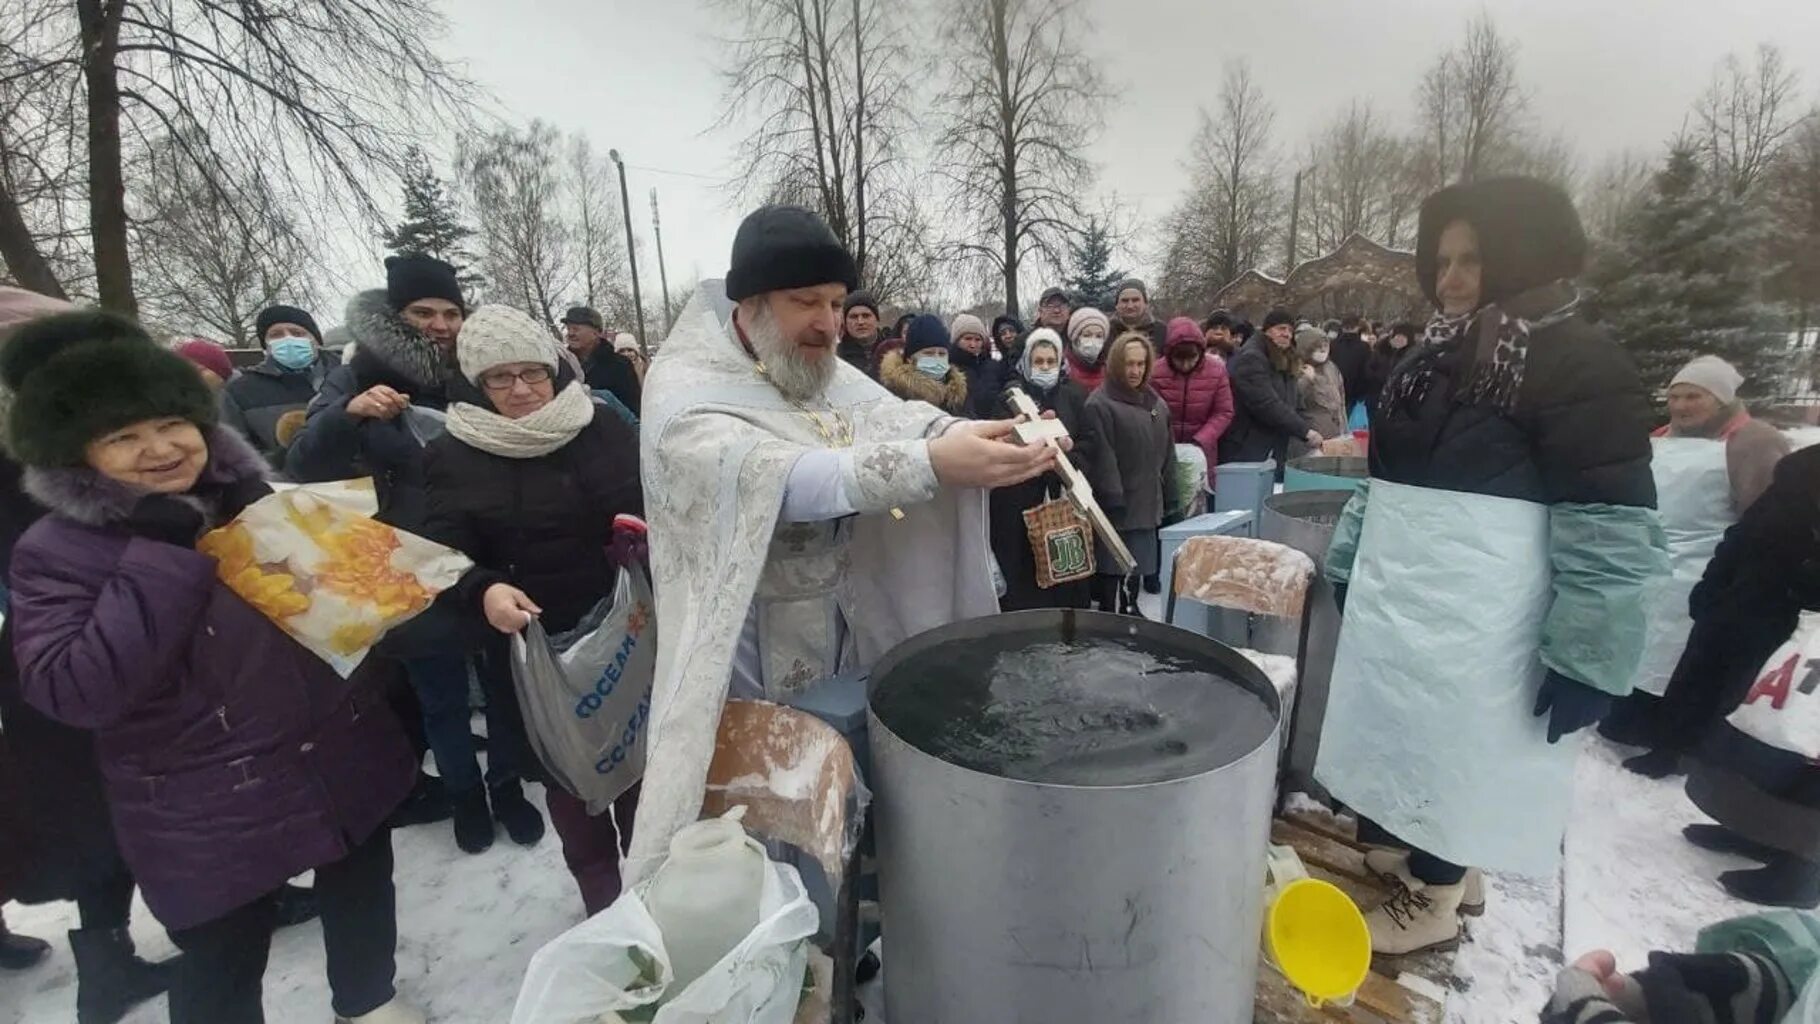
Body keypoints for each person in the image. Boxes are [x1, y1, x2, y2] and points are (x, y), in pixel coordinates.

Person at [1, 310, 423, 1024]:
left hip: (335, 755)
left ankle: (369, 1002)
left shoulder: (251, 497)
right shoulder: (56, 550)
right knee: (223, 962)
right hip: (206, 798)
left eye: (172, 424)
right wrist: (158, 556)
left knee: (360, 890)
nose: (159, 448)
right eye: (123, 437)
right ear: (76, 453)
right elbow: (74, 688)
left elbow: (342, 600)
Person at [627, 205, 1058, 882]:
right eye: (807, 302)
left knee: (840, 778)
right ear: (752, 302)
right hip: (745, 642)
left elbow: (899, 417)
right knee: (764, 802)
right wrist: (929, 467)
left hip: (841, 623)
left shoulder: (814, 367)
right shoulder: (686, 390)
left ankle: (843, 910)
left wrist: (970, 438)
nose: (828, 323)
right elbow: (778, 478)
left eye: (834, 302)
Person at [1318, 176, 1662, 955]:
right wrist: (1351, 561)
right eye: (1443, 261)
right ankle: (1442, 863)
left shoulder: (1577, 360)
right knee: (1410, 730)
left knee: (1462, 741)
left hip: (1488, 607)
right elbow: (1389, 477)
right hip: (1413, 590)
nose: (1452, 278)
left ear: (1524, 252)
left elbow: (1609, 520)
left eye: (1473, 258)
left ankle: (1432, 899)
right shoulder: (1435, 354)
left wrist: (1591, 652)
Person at [288, 256, 538, 856]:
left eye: (451, 312)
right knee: (443, 699)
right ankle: (465, 798)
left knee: (506, 690)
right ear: (396, 315)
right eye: (423, 312)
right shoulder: (356, 372)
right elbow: (302, 463)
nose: (440, 323)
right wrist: (350, 415)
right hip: (408, 564)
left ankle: (506, 788)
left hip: (489, 555)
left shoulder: (478, 371)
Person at [420, 305, 645, 915]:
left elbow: (648, 499)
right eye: (500, 377)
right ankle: (605, 907)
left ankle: (656, 895)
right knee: (573, 789)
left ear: (556, 371)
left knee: (641, 773)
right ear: (475, 383)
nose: (520, 389)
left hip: (625, 631)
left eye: (533, 373)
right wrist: (481, 587)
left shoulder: (600, 426)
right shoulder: (450, 454)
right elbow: (434, 551)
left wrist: (637, 534)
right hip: (529, 648)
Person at [0, 289, 177, 1022]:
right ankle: (107, 965)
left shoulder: (116, 433)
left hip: (151, 636)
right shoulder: (30, 457)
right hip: (61, 653)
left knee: (171, 790)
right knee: (96, 814)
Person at [1601, 354, 1791, 754]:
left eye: (1694, 397)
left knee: (1684, 661)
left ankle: (1671, 736)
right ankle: (1626, 718)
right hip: (1649, 566)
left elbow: (1765, 518)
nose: (1682, 406)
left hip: (1706, 572)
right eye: (1675, 397)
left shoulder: (1755, 441)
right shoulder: (1660, 437)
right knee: (1639, 647)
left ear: (1722, 399)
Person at [1673, 447, 1820, 906]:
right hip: (1785, 624)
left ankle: (1802, 873)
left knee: (1810, 748)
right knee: (1768, 738)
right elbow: (1751, 532)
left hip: (1802, 618)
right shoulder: (1805, 468)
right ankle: (1761, 830)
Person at [989, 327, 1093, 611]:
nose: (1045, 367)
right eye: (1039, 361)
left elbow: (1090, 442)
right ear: (1026, 362)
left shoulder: (1074, 396)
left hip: (1063, 497)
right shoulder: (1011, 399)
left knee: (1064, 569)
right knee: (1025, 571)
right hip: (1019, 500)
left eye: (1050, 361)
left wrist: (1069, 451)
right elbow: (999, 445)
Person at [1083, 331, 1174, 616]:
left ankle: (1132, 606)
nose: (1135, 371)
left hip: (1148, 497)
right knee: (1112, 563)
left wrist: (1171, 493)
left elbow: (1169, 452)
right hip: (1119, 501)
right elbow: (1103, 454)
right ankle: (1111, 611)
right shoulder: (1100, 404)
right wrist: (1113, 497)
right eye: (1129, 364)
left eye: (1141, 364)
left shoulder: (1156, 404)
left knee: (1140, 560)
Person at [221, 304, 341, 468]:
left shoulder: (350, 375)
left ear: (316, 340)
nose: (288, 339)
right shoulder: (241, 390)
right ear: (266, 346)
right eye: (276, 335)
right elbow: (235, 454)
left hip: (360, 484)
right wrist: (286, 459)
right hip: (286, 487)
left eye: (297, 333)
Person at [1220, 309, 1320, 469]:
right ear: (1267, 330)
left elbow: (1294, 403)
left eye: (1290, 330)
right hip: (1248, 447)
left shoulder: (1286, 359)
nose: (1286, 334)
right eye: (1281, 328)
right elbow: (1266, 403)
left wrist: (1311, 429)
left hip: (1273, 445)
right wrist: (1304, 431)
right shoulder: (1252, 358)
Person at [1150, 315, 1233, 473]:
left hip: (1202, 450)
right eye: (1179, 360)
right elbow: (1150, 409)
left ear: (1200, 352)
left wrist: (1201, 440)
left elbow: (1223, 412)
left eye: (1191, 358)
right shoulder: (1156, 371)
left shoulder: (1217, 371)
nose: (1186, 365)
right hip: (1164, 448)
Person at [879, 314, 972, 415]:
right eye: (929, 353)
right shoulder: (894, 395)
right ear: (910, 358)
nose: (937, 359)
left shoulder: (957, 396)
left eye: (942, 354)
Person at [560, 305, 642, 418]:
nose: (570, 334)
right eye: (568, 329)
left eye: (576, 329)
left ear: (596, 332)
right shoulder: (563, 364)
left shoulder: (619, 365)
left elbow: (634, 408)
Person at [1292, 325, 1346, 455]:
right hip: (1310, 439)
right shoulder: (1297, 367)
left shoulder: (1331, 368)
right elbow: (1292, 401)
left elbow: (1341, 400)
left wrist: (1344, 430)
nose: (1322, 350)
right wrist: (1306, 380)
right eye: (1317, 346)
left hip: (1334, 436)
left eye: (1325, 345)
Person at [950, 313, 1003, 417]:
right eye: (968, 339)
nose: (973, 344)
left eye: (978, 339)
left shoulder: (993, 367)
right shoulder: (949, 368)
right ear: (956, 340)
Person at [1362, 322, 1417, 409]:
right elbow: (1369, 367)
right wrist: (1377, 377)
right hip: (1376, 392)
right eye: (1397, 336)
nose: (1399, 339)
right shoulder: (1382, 349)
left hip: (1397, 398)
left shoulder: (1412, 355)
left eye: (1403, 337)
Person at [1328, 313, 1372, 419]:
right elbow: (1366, 371)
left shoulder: (1333, 344)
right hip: (1355, 392)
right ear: (1358, 327)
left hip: (1333, 388)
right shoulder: (1364, 347)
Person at [1111, 278, 1168, 349]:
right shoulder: (1106, 331)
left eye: (1135, 300)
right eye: (1125, 301)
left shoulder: (1161, 330)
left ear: (1146, 303)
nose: (1130, 306)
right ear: (1116, 305)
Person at [1065, 306, 1111, 391]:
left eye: (1099, 336)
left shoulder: (1110, 371)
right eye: (1087, 335)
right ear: (1075, 338)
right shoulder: (1064, 369)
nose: (1093, 340)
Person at [838, 290, 880, 374]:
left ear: (877, 319)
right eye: (853, 317)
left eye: (866, 316)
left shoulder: (893, 351)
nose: (860, 322)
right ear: (845, 322)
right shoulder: (836, 357)